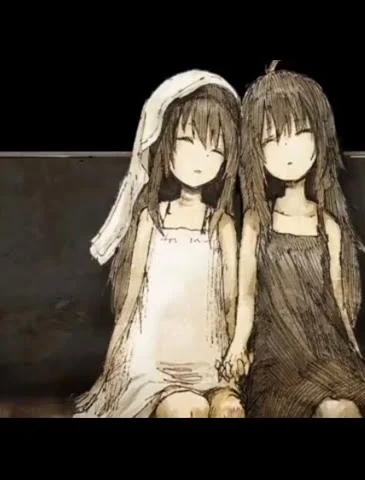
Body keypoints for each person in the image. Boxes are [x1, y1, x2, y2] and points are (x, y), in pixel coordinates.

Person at [221, 61, 365, 418]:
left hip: (330, 355)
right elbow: (245, 297)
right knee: (338, 411)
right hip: (280, 364)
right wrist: (237, 347)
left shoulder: (329, 226)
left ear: (319, 139)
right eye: (272, 139)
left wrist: (353, 353)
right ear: (256, 150)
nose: (289, 150)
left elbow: (339, 303)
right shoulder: (256, 222)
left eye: (301, 134)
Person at [73, 70, 244, 418]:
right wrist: (114, 362)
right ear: (166, 145)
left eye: (215, 149)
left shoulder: (222, 225)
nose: (200, 159)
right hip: (152, 363)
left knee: (230, 410)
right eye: (188, 141)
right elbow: (132, 295)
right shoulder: (151, 220)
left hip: (209, 361)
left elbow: (231, 299)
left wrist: (235, 357)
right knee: (190, 409)